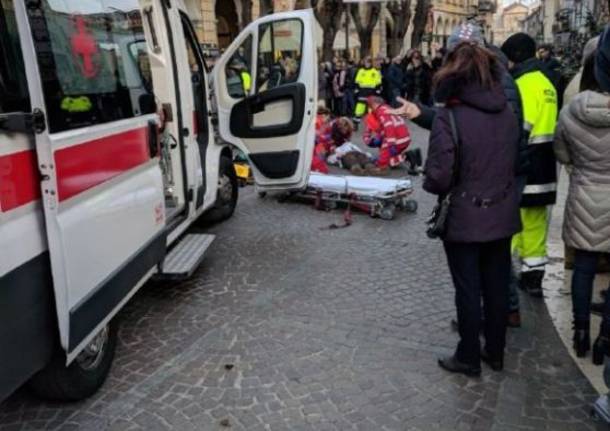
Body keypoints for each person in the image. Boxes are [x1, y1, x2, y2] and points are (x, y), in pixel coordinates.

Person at [391, 23, 529, 328]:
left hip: (491, 179)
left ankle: (497, 315)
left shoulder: (497, 81)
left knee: (489, 260)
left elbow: (491, 133)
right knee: (489, 256)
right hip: (489, 177)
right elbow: (456, 124)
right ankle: (493, 321)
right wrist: (422, 114)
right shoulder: (479, 79)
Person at [425, 41, 521, 377]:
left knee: (468, 289)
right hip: (502, 211)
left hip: (465, 216)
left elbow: (438, 177)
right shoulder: (507, 112)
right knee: (495, 285)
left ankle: (468, 356)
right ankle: (495, 351)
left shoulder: (449, 116)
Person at [554, 29, 610, 364]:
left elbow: (562, 153)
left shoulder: (573, 108)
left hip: (585, 193)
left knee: (584, 269)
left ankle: (579, 333)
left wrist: (584, 168)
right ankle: (606, 337)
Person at [501, 34, 559, 299]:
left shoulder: (522, 84)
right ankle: (533, 276)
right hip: (545, 165)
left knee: (508, 223)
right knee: (535, 223)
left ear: (514, 57)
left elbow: (517, 128)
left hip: (523, 164)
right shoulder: (547, 82)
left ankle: (501, 279)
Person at [363, 96, 411, 171]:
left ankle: (407, 157)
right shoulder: (388, 108)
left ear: (374, 104)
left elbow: (389, 127)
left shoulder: (381, 112)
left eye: (370, 106)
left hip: (397, 140)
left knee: (382, 164)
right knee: (386, 158)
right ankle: (402, 156)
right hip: (404, 138)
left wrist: (391, 144)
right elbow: (384, 128)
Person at [353, 57, 382, 125]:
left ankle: (371, 123)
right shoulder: (361, 71)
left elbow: (378, 82)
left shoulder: (375, 71)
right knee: (360, 107)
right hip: (362, 92)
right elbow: (357, 81)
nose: (367, 64)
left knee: (371, 108)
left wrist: (377, 90)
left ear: (370, 63)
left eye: (368, 62)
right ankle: (356, 122)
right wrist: (357, 89)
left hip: (372, 92)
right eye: (366, 62)